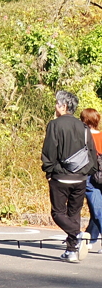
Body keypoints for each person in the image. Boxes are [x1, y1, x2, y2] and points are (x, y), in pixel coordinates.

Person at [42, 90, 99, 261]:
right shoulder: (83, 127)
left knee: (58, 213)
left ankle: (77, 235)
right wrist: (88, 170)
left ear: (64, 106)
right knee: (74, 213)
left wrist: (49, 171)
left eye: (57, 103)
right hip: (80, 178)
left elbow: (49, 150)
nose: (55, 106)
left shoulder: (55, 124)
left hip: (60, 176)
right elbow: (92, 152)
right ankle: (71, 251)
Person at [82, 108, 102, 253]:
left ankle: (90, 239)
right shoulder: (101, 136)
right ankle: (91, 238)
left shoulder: (84, 137)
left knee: (97, 209)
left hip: (91, 176)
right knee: (97, 209)